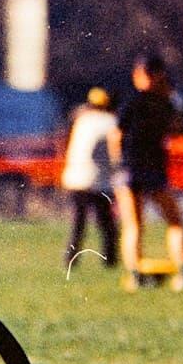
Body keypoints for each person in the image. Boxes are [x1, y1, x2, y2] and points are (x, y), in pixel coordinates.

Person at [114, 55, 183, 291]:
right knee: (174, 221)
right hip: (154, 169)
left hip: (130, 169)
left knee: (133, 225)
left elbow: (116, 134)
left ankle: (135, 275)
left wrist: (119, 162)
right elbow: (175, 126)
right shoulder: (166, 103)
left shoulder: (132, 101)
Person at [60, 86, 120, 271]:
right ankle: (110, 259)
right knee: (106, 224)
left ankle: (70, 258)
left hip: (74, 178)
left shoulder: (81, 119)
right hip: (97, 180)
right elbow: (113, 152)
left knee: (78, 224)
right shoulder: (111, 121)